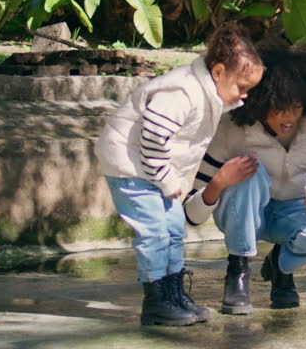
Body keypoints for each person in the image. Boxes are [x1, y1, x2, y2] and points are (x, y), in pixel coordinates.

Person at [95, 26, 264, 326]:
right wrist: (168, 181)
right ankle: (156, 301)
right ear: (218, 71)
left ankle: (173, 294)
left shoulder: (209, 94)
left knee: (174, 230)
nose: (245, 95)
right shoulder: (181, 90)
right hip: (131, 166)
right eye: (241, 86)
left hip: (158, 172)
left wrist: (172, 180)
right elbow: (153, 140)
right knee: (155, 234)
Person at [183, 45, 306, 315]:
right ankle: (238, 268)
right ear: (261, 103)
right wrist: (218, 183)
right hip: (245, 214)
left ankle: (281, 266)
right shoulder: (232, 127)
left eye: (296, 108)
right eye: (279, 108)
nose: (288, 118)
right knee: (247, 173)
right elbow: (189, 214)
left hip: (293, 212)